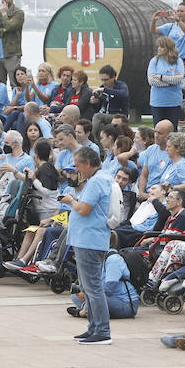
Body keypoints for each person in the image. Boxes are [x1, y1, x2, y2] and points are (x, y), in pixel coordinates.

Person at [62, 146, 115, 345]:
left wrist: (71, 201)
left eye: (78, 166)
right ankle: (94, 327)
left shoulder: (96, 181)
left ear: (87, 163)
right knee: (88, 286)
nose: (77, 170)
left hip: (90, 239)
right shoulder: (100, 179)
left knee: (93, 287)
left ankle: (102, 330)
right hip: (88, 238)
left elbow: (84, 209)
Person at [146, 36, 185, 126]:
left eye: (162, 47)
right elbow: (151, 81)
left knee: (172, 129)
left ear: (169, 48)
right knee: (158, 129)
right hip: (157, 102)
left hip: (173, 102)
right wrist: (170, 82)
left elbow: (178, 79)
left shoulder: (178, 61)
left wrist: (160, 77)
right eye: (158, 46)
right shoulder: (154, 61)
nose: (159, 49)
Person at [151, 0, 185, 67]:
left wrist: (178, 20)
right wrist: (154, 20)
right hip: (169, 59)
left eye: (182, 11)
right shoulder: (170, 26)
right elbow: (153, 30)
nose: (179, 13)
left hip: (183, 60)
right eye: (178, 11)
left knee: (182, 77)